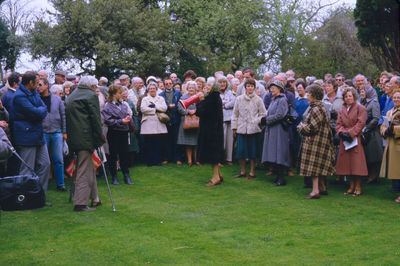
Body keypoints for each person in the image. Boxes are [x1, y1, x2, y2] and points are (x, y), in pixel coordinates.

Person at [12, 71, 51, 204]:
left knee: (46, 164)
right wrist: (39, 111)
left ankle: (39, 197)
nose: (39, 85)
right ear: (30, 83)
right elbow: (36, 113)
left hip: (38, 135)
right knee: (27, 169)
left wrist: (39, 111)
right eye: (37, 82)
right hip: (26, 136)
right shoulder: (19, 96)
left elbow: (43, 107)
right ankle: (24, 199)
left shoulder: (33, 92)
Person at [66, 76, 104, 212]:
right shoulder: (90, 96)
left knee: (88, 168)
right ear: (92, 86)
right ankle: (80, 203)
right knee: (83, 170)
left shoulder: (73, 94)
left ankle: (95, 198)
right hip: (86, 138)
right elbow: (96, 119)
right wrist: (99, 138)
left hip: (74, 138)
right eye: (96, 87)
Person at [297, 84, 335, 199]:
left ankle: (315, 191)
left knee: (314, 168)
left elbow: (312, 127)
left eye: (309, 94)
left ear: (314, 96)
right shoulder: (318, 107)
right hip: (318, 141)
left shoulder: (317, 108)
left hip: (316, 142)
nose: (307, 96)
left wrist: (300, 127)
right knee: (318, 167)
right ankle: (321, 188)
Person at [336, 87, 368, 196]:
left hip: (355, 139)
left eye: (350, 96)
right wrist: (342, 133)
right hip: (345, 140)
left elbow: (361, 123)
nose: (348, 98)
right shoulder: (341, 110)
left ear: (354, 96)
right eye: (346, 96)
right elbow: (338, 125)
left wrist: (350, 133)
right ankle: (351, 185)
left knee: (356, 164)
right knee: (347, 163)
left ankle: (358, 186)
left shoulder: (361, 108)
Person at [231, 78, 266, 179]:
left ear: (254, 87)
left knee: (252, 152)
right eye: (248, 86)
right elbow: (235, 114)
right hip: (241, 128)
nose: (250, 88)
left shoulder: (258, 100)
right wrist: (234, 127)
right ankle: (242, 171)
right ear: (245, 87)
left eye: (252, 86)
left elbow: (263, 114)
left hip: (254, 129)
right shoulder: (239, 99)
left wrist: (257, 121)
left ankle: (252, 172)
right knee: (241, 151)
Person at [38, 78, 68, 192]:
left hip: (56, 132)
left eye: (40, 85)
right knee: (43, 161)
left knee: (59, 160)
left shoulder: (56, 99)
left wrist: (64, 131)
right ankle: (41, 184)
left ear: (46, 85)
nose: (38, 87)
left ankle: (60, 184)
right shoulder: (36, 99)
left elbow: (63, 115)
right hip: (43, 132)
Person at [102, 84, 133, 185]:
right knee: (113, 155)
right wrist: (120, 121)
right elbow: (108, 120)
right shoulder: (107, 106)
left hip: (124, 132)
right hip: (114, 132)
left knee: (124, 154)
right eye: (120, 93)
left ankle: (126, 175)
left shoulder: (123, 104)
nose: (122, 94)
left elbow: (128, 114)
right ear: (114, 94)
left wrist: (127, 119)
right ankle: (114, 176)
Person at [261, 80, 290, 186]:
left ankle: (282, 178)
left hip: (279, 130)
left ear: (279, 89)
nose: (271, 90)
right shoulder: (274, 100)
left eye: (273, 88)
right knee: (274, 152)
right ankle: (278, 176)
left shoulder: (282, 100)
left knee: (279, 152)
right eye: (271, 88)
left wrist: (267, 120)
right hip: (272, 129)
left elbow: (280, 115)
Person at [196, 81, 224, 186]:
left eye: (209, 86)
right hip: (212, 130)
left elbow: (202, 112)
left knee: (213, 155)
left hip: (212, 131)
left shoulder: (212, 98)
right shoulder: (213, 97)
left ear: (214, 88)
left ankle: (215, 178)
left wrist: (201, 100)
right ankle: (219, 175)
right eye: (206, 85)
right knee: (214, 154)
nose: (206, 87)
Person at [359, 86, 383, 184]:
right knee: (367, 155)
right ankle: (369, 175)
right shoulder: (362, 101)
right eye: (360, 91)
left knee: (373, 155)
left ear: (368, 91)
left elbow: (376, 118)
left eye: (363, 91)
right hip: (364, 131)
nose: (362, 93)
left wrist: (367, 128)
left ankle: (373, 176)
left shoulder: (374, 102)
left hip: (372, 132)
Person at [140, 82, 168, 166]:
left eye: (154, 88)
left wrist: (154, 106)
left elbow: (164, 108)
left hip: (158, 124)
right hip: (148, 124)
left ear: (156, 89)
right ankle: (149, 161)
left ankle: (157, 161)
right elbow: (143, 109)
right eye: (150, 88)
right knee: (148, 144)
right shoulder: (145, 99)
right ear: (148, 90)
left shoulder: (161, 98)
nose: (152, 90)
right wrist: (155, 110)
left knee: (158, 143)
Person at [379, 89, 400, 202]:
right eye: (395, 97)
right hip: (391, 143)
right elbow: (383, 124)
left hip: (398, 143)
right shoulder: (390, 111)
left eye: (398, 97)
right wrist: (384, 130)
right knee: (396, 171)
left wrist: (394, 130)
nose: (396, 99)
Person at [160, 78, 182, 165]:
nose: (168, 85)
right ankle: (167, 158)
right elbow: (161, 106)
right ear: (164, 85)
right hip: (166, 119)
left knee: (177, 140)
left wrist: (175, 106)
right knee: (167, 141)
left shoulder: (178, 93)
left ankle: (177, 158)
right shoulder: (161, 94)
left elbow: (181, 104)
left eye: (170, 83)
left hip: (176, 119)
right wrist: (168, 106)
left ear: (172, 84)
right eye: (166, 84)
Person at [177, 81, 199, 166]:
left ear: (195, 89)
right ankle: (189, 160)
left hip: (197, 121)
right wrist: (188, 111)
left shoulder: (198, 97)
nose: (191, 89)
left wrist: (197, 111)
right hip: (186, 121)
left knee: (196, 142)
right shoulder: (183, 98)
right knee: (188, 142)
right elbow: (179, 108)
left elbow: (202, 106)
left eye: (193, 87)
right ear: (187, 88)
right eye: (189, 87)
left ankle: (196, 160)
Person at [218, 76, 236, 165]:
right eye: (220, 82)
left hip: (230, 118)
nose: (222, 84)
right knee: (222, 140)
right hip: (221, 119)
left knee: (230, 139)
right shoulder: (216, 93)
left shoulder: (229, 92)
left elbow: (234, 102)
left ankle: (229, 159)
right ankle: (221, 159)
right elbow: (217, 104)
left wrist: (225, 106)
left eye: (224, 82)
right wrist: (226, 104)